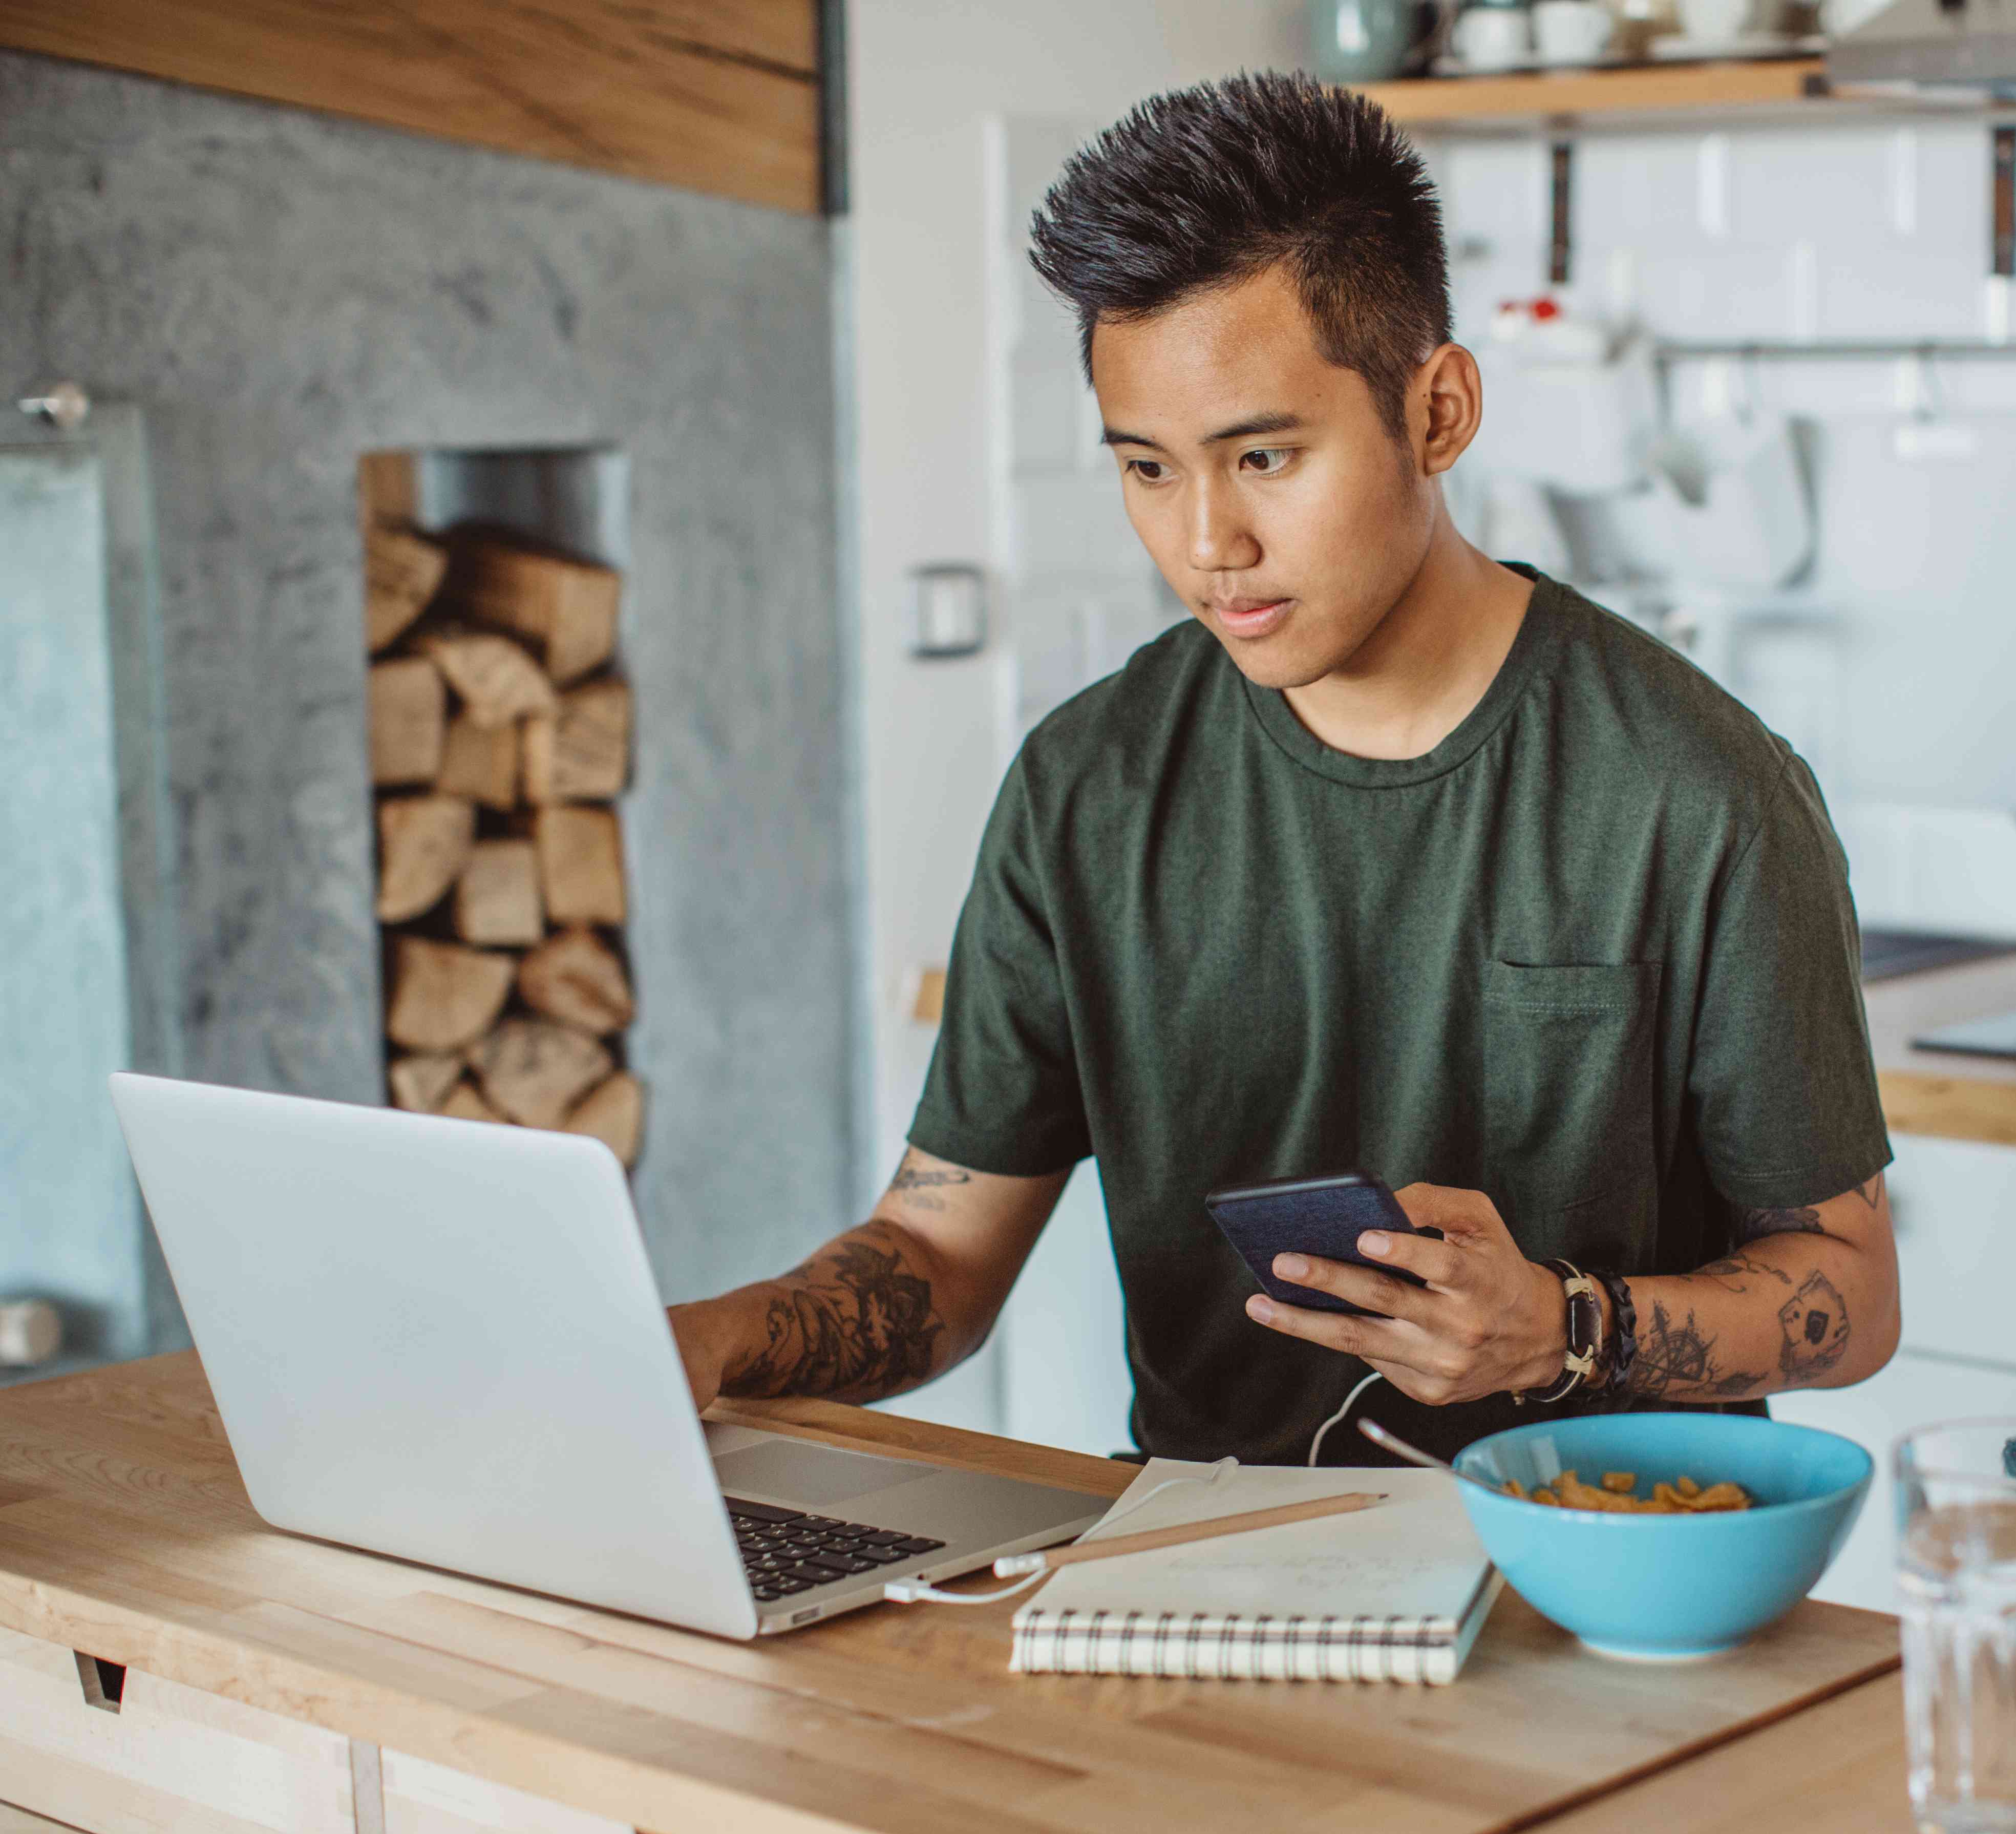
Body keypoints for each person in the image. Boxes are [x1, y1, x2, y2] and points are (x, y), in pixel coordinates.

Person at [668, 72, 1898, 1466]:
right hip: (1196, 1583)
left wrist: (1566, 1326)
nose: (1207, 543)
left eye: (1264, 456)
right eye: (1147, 468)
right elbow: (936, 1256)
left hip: (1596, 1583)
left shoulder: (1700, 789)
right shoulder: (1087, 787)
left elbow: (1849, 1292)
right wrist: (708, 1341)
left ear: (1436, 414)